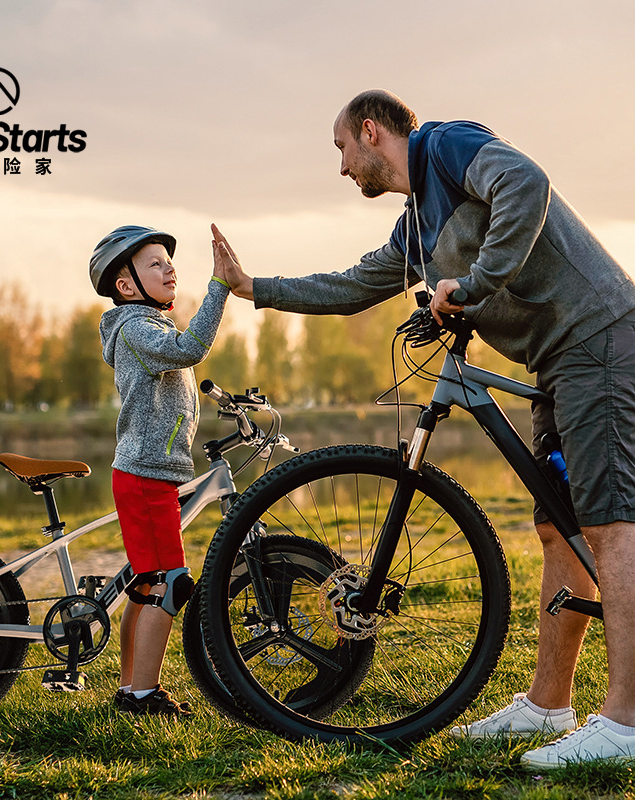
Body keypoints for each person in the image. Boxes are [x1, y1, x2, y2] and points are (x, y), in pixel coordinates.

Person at [212, 88, 635, 768]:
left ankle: (627, 722)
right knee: (563, 528)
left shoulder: (447, 146)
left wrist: (474, 285)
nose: (342, 167)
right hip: (559, 359)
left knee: (613, 525)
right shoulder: (413, 230)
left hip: (601, 340)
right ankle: (548, 703)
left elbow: (527, 184)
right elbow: (352, 287)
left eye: (341, 148)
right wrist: (254, 287)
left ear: (371, 132)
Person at [89, 224, 230, 716]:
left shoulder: (146, 326)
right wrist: (221, 286)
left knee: (147, 583)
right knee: (170, 582)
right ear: (125, 285)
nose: (168, 267)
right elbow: (192, 348)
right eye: (154, 262)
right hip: (146, 475)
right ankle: (143, 695)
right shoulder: (136, 328)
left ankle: (132, 687)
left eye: (169, 261)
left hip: (151, 472)